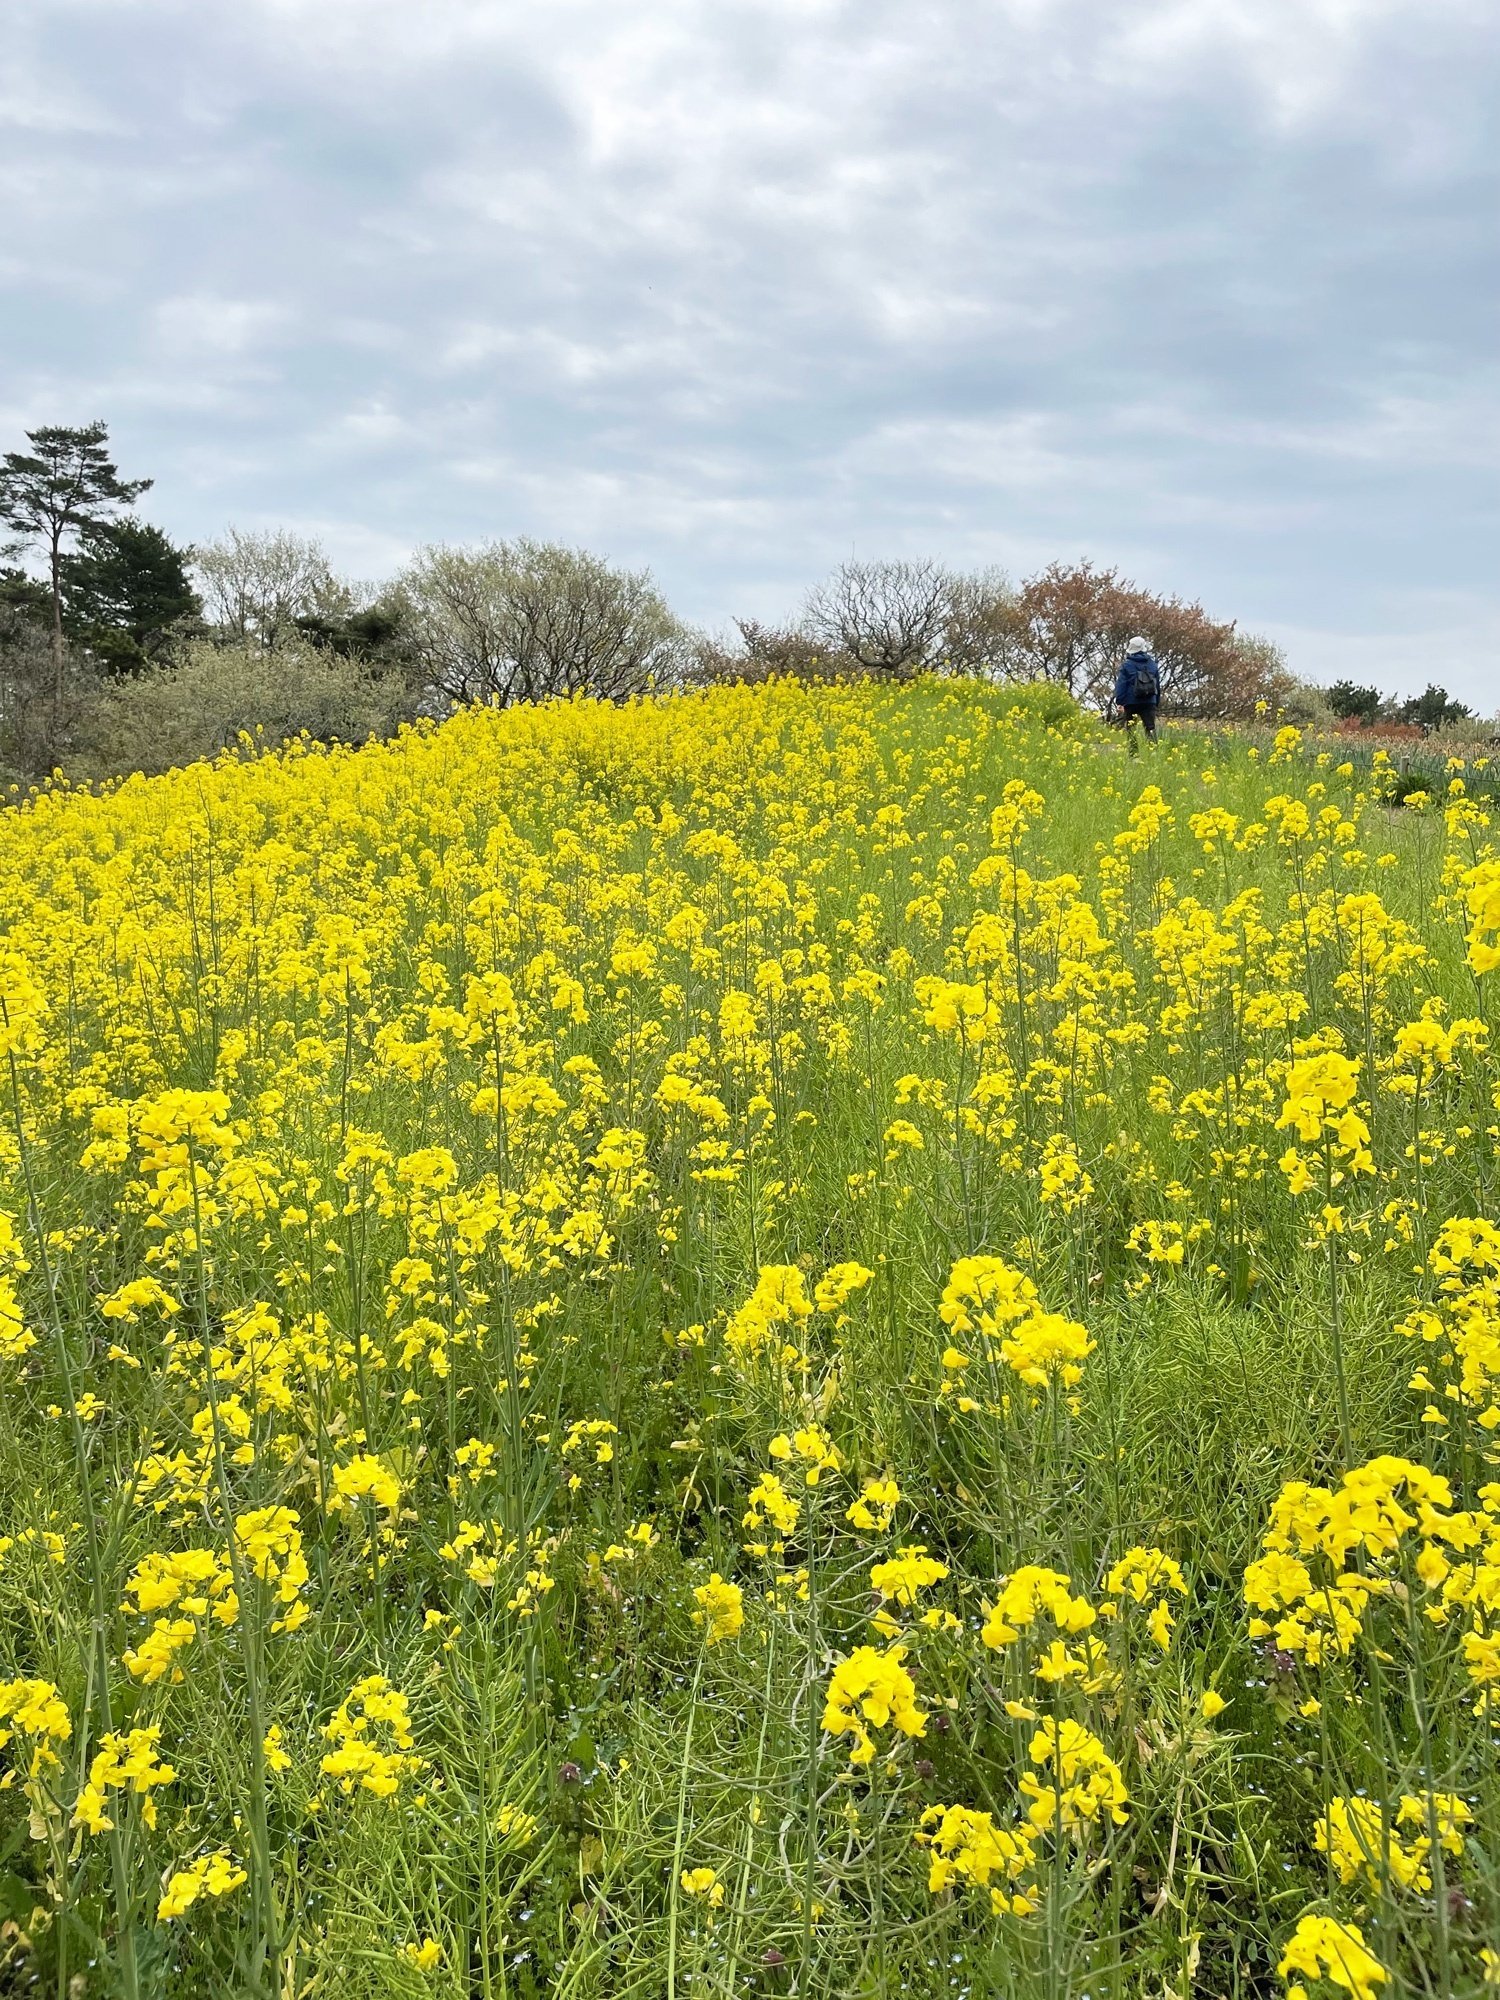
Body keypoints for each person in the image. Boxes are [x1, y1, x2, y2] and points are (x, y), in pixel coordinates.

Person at [1114, 636, 1160, 743]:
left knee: (1131, 730)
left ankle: (1134, 755)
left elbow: (1121, 684)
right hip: (1149, 701)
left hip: (1131, 702)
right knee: (1150, 728)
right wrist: (1155, 702)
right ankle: (1153, 753)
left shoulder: (1127, 665)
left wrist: (1120, 702)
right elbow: (1157, 685)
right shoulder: (1153, 664)